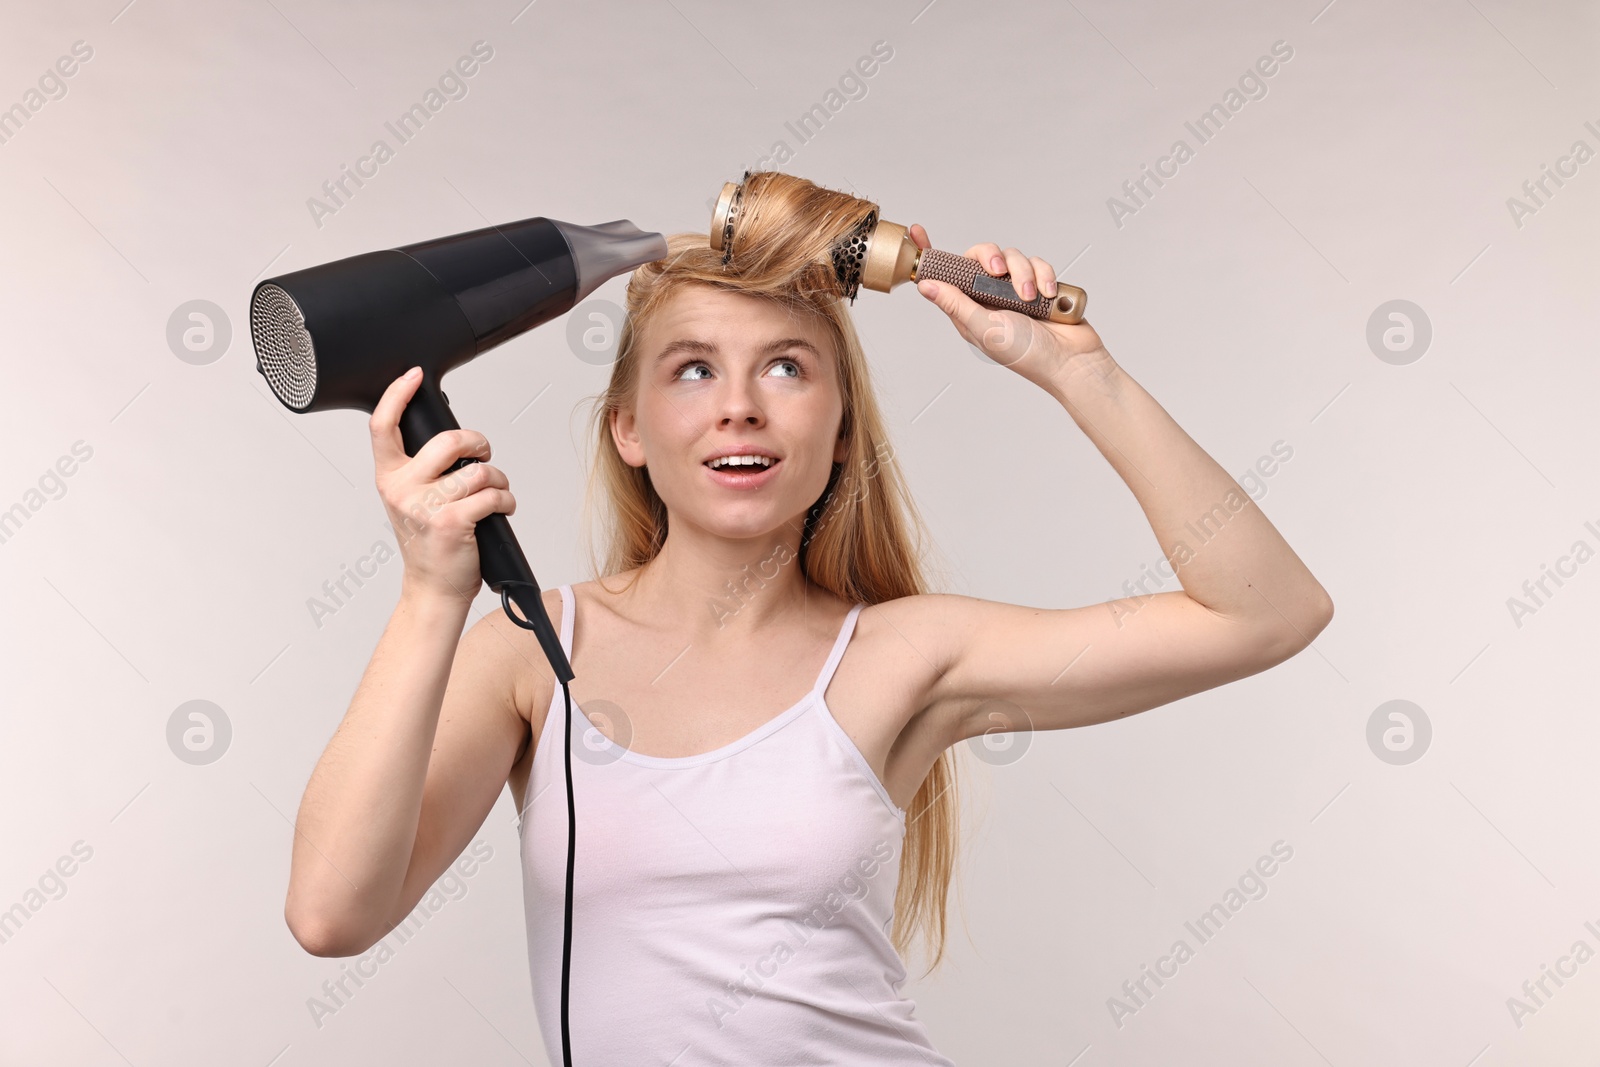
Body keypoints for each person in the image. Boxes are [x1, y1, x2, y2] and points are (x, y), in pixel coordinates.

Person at [282, 171, 1333, 1064]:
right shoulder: (532, 651)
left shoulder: (902, 654)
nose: (739, 405)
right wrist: (431, 593)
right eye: (692, 368)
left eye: (786, 366)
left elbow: (1266, 613)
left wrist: (1075, 368)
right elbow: (333, 912)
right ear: (629, 428)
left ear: (837, 434)